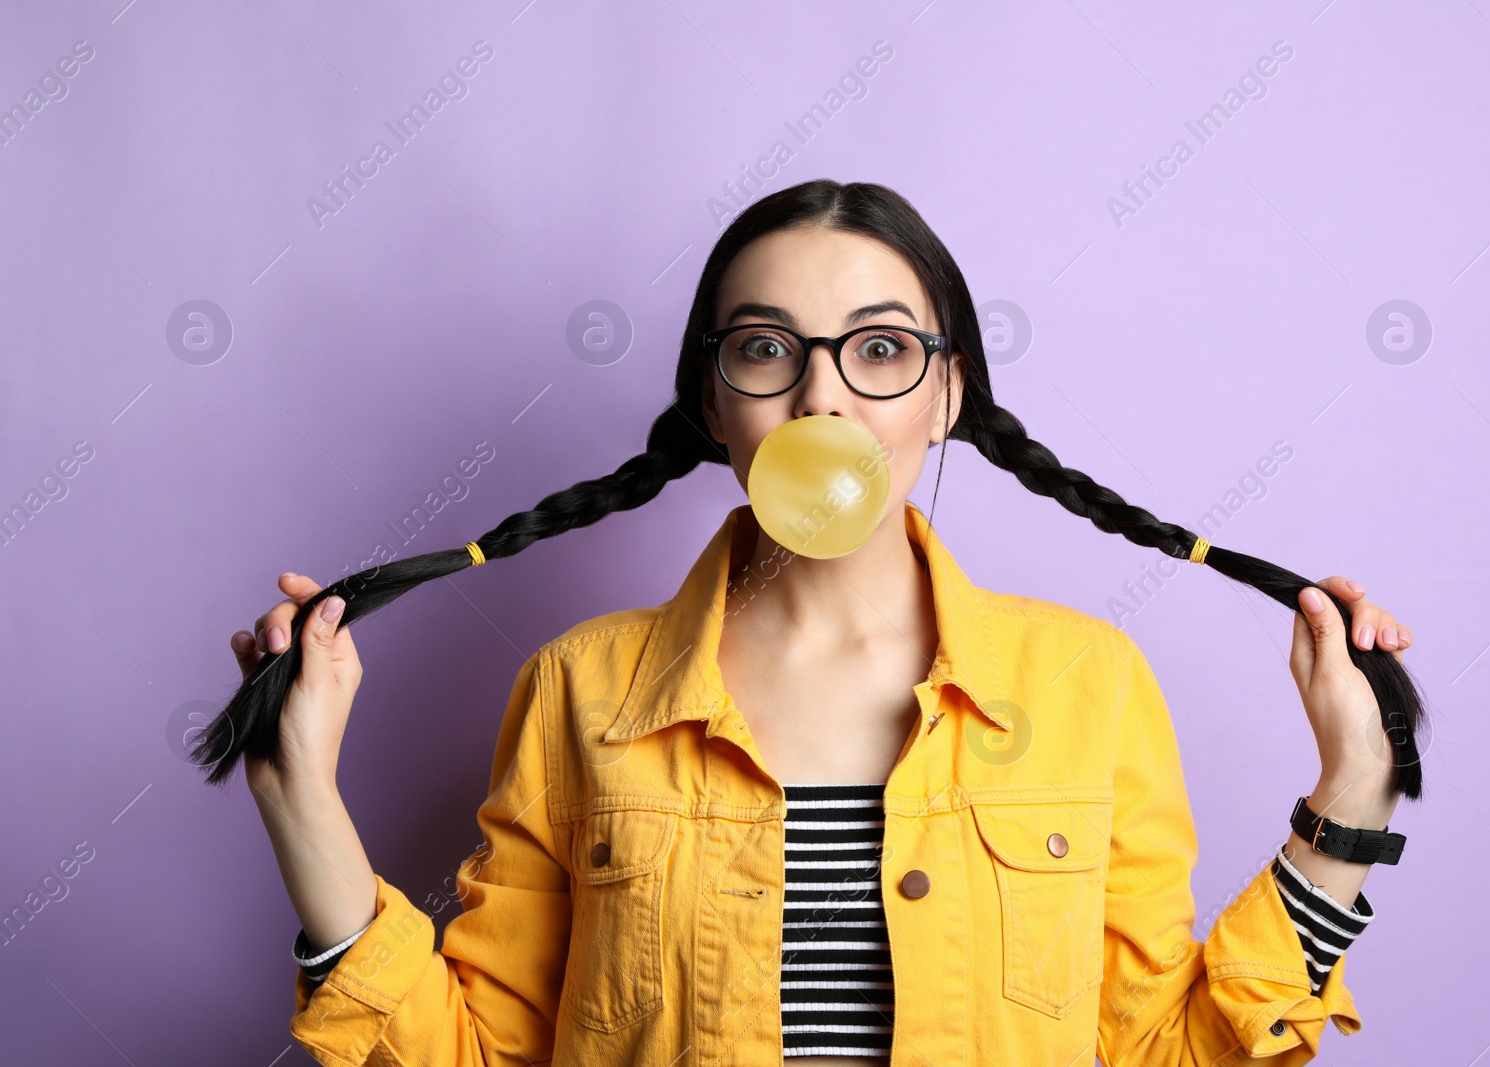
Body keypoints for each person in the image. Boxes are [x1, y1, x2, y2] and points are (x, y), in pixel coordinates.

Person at [231, 180, 1414, 1065]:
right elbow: (484, 1053)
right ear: (713, 401)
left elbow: (1166, 1047)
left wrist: (1352, 794)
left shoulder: (1084, 681)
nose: (823, 396)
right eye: (765, 349)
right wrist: (307, 814)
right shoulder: (576, 686)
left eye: (882, 349)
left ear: (947, 396)